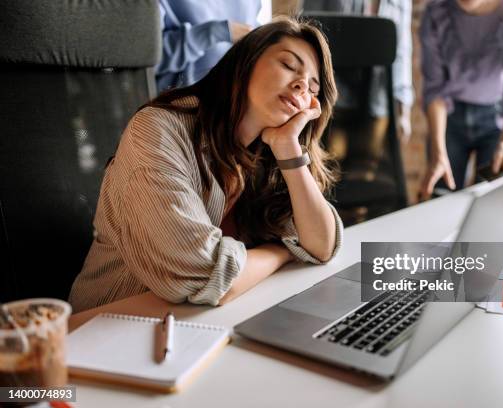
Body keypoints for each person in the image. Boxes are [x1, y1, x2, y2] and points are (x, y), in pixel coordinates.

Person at [69, 17, 343, 312]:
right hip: (106, 327)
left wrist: (288, 148)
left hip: (193, 323)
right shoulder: (158, 130)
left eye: (312, 90)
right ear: (245, 62)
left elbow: (321, 244)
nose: (302, 85)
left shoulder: (267, 154)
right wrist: (280, 253)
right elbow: (204, 273)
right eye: (289, 65)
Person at [419, 0, 503, 199]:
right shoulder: (437, 12)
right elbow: (435, 88)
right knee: (440, 200)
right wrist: (438, 150)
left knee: (496, 202)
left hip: (502, 120)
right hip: (448, 119)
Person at [302, 0, 413, 173]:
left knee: (366, 170)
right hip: (333, 95)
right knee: (328, 168)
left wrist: (403, 110)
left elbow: (402, 50)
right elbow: (308, 33)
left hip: (378, 96)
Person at [156, 0, 262, 91]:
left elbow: (250, 26)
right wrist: (214, 33)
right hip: (181, 106)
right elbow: (149, 59)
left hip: (239, 102)